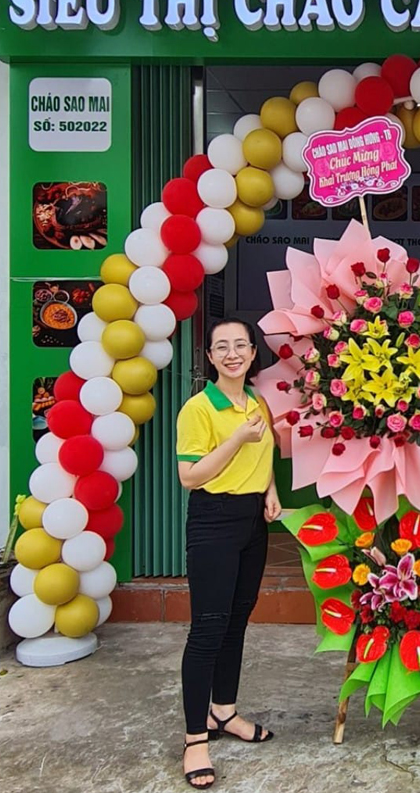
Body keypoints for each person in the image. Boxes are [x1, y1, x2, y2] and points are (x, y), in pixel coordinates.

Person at [176, 319, 282, 788]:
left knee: (237, 621)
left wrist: (270, 490)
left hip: (252, 520)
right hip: (213, 521)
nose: (232, 353)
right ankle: (195, 739)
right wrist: (237, 438)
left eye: (241, 345)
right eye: (222, 347)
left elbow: (266, 452)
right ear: (211, 357)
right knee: (208, 630)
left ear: (253, 353)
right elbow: (190, 476)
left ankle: (224, 711)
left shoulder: (258, 401)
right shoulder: (198, 409)